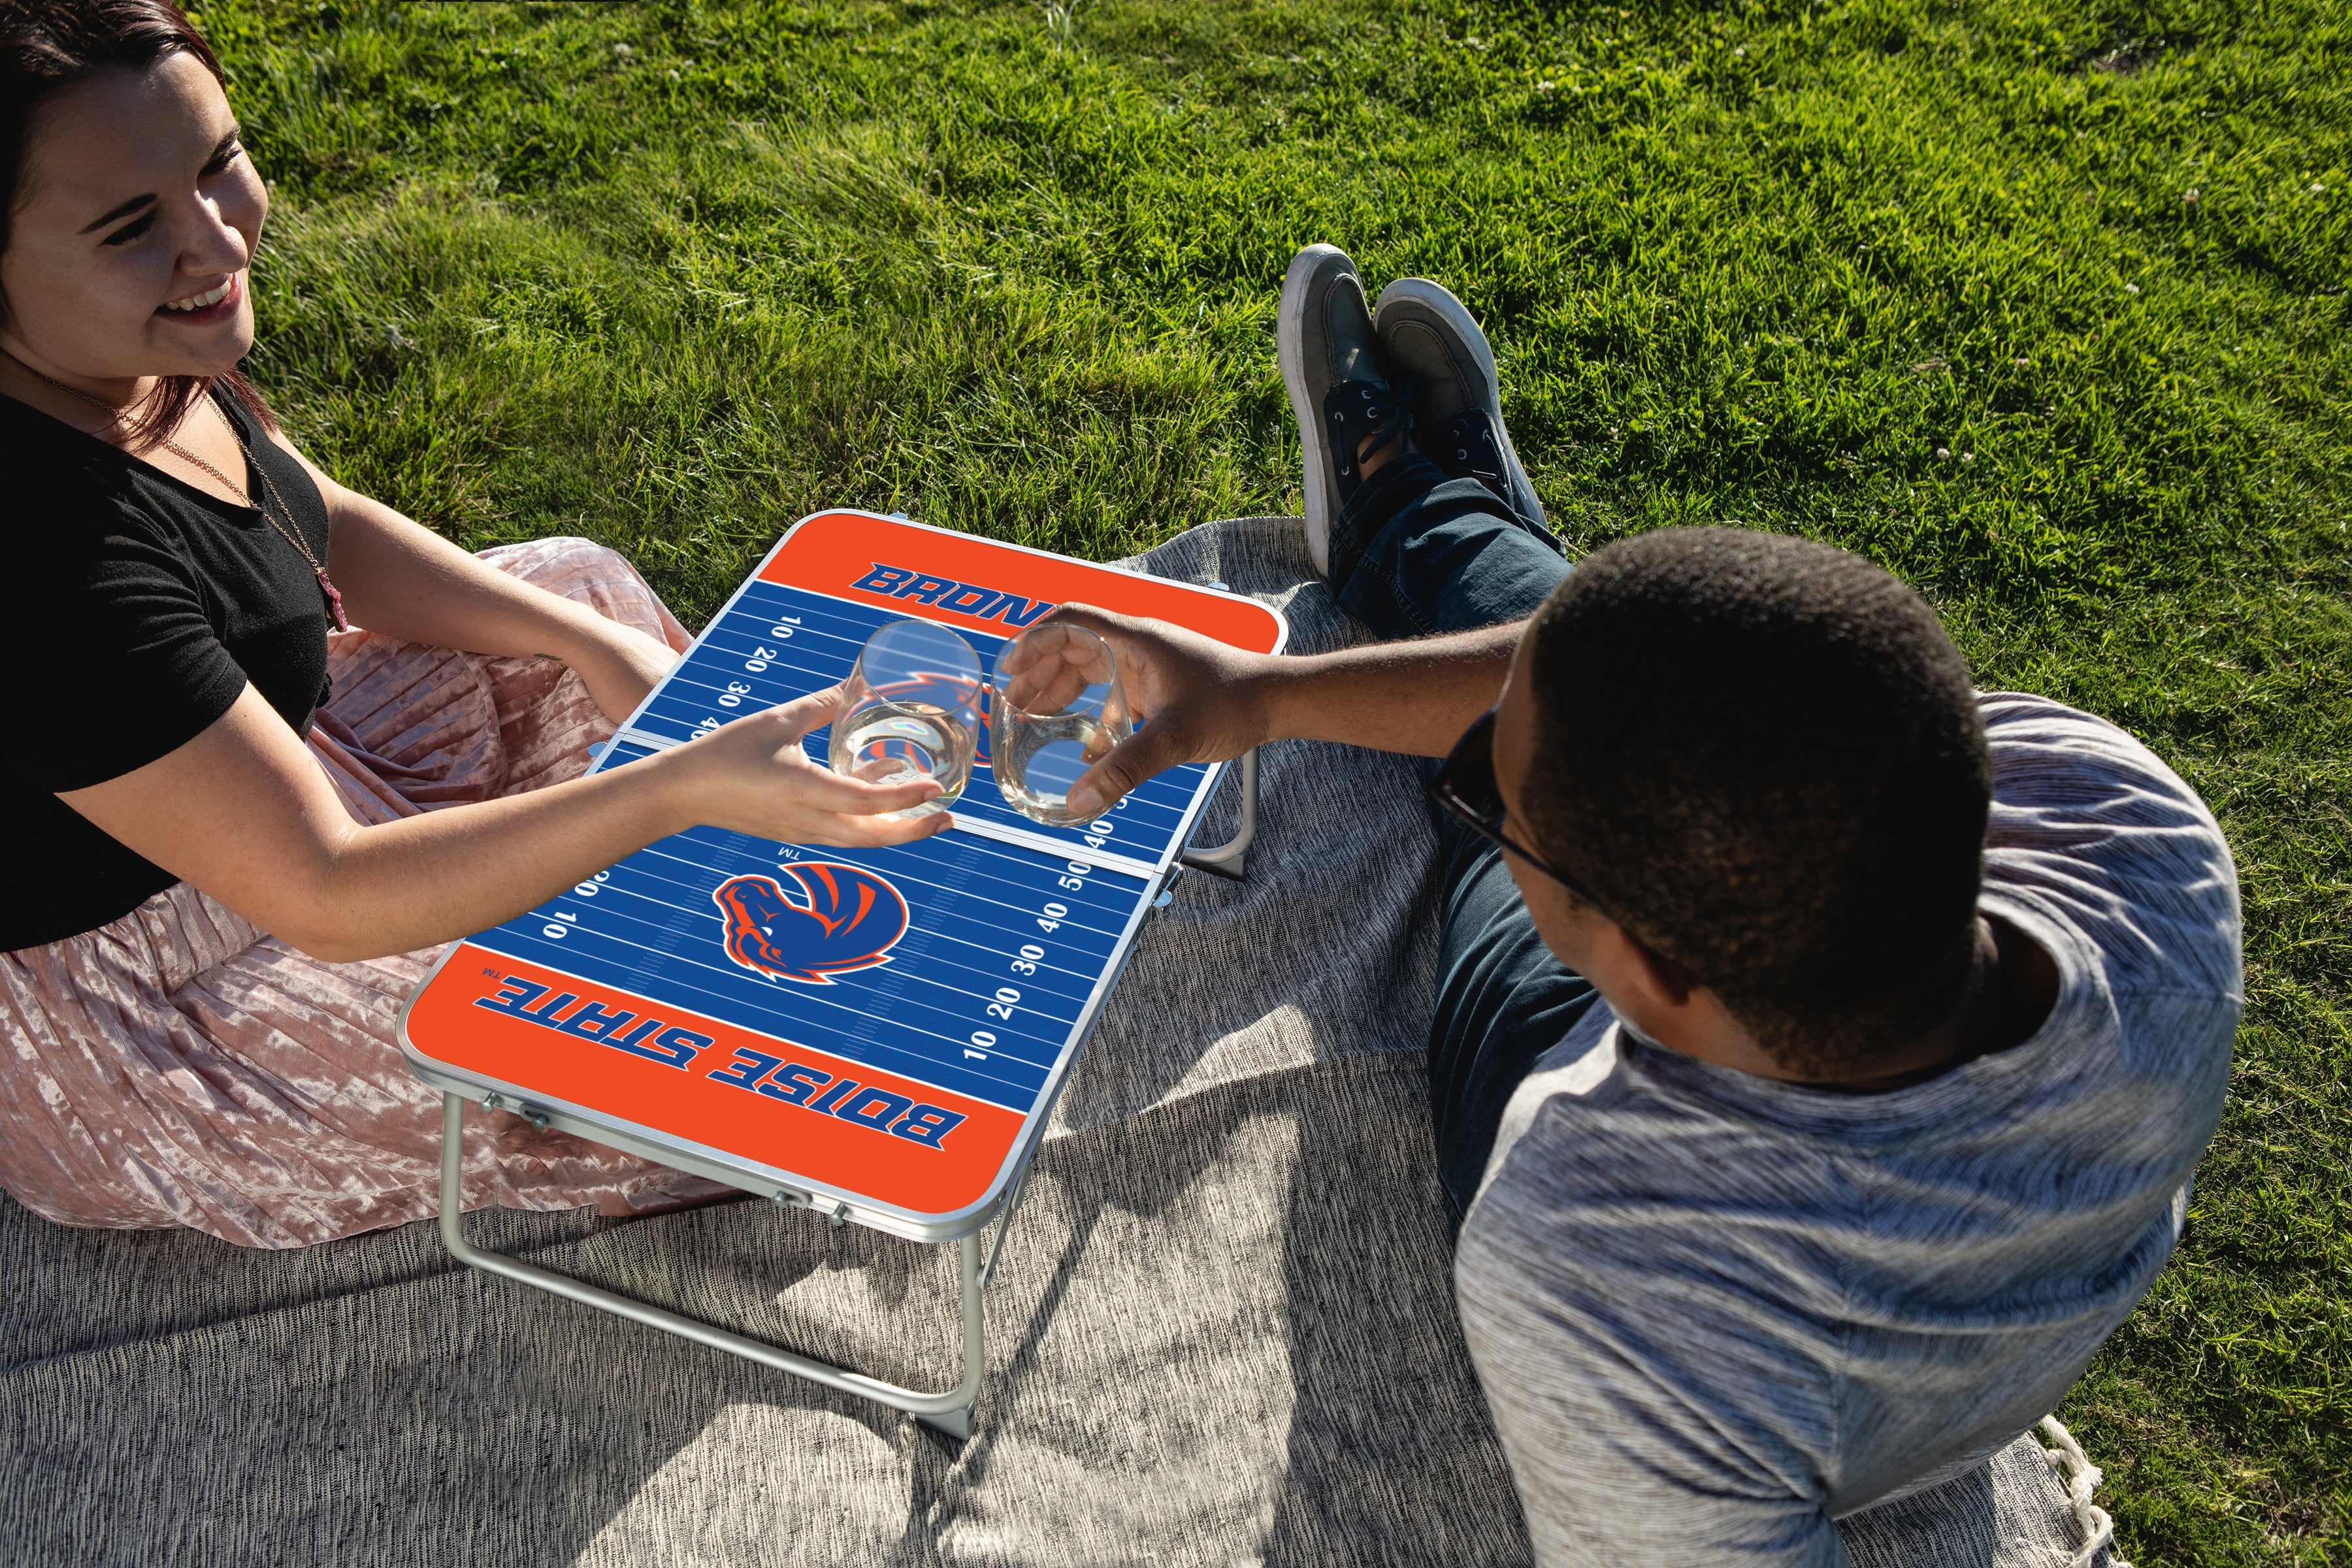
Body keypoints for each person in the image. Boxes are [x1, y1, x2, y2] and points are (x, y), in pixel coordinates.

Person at [1045, 243, 2240, 1564]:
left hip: (1577, 1079)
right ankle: (1444, 525)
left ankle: (1428, 520)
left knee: (1532, 778)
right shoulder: (2133, 827)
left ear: (1646, 972)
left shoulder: (1603, 1259)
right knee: (1623, 673)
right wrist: (1259, 698)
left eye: (1497, 810)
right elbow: (1699, 693)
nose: (1480, 803)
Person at [0, 0, 945, 1248]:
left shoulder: (122, 355)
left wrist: (588, 646)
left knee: (574, 588)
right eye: (132, 226)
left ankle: (733, 841)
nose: (217, 237)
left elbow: (309, 518)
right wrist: (673, 790)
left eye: (219, 161)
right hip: (162, 1004)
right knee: (675, 1057)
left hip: (285, 776)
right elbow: (327, 892)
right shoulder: (41, 554)